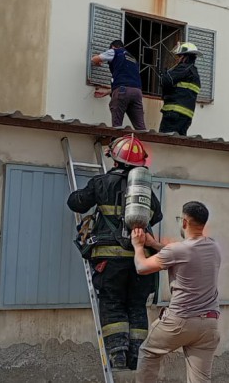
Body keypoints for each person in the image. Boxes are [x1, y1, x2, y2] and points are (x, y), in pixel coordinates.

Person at [66, 134, 163, 370]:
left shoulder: (101, 183)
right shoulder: (144, 189)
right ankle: (136, 356)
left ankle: (118, 354)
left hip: (109, 260)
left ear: (115, 159)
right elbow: (157, 215)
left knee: (112, 302)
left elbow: (76, 203)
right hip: (142, 259)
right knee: (137, 305)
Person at [130, 201, 221, 383]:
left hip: (179, 322)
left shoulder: (177, 250)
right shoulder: (213, 247)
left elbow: (141, 267)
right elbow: (181, 255)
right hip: (209, 325)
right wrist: (154, 243)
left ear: (185, 222)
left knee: (148, 352)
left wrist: (138, 246)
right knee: (200, 379)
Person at [91, 40, 147, 130]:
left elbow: (94, 59)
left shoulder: (114, 51)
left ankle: (117, 141)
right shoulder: (133, 58)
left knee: (117, 126)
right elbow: (127, 82)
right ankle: (144, 142)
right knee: (141, 128)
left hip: (123, 91)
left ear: (113, 47)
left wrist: (97, 62)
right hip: (137, 92)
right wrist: (107, 92)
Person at [158, 42, 202, 136]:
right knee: (178, 145)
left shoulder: (184, 69)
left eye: (179, 56)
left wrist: (164, 74)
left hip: (174, 114)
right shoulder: (195, 73)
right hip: (186, 117)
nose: (177, 59)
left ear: (185, 57)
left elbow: (166, 81)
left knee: (165, 142)